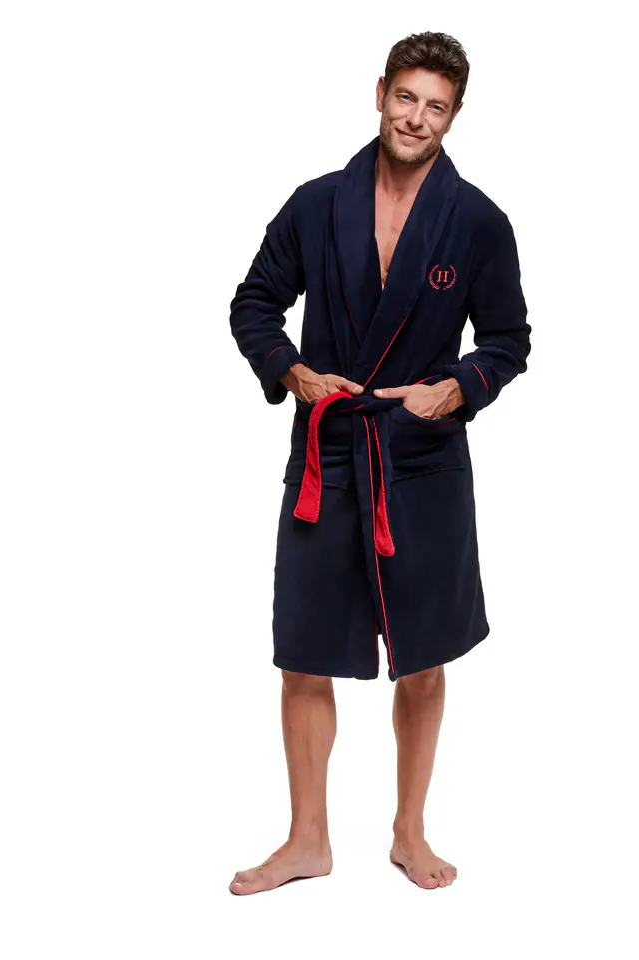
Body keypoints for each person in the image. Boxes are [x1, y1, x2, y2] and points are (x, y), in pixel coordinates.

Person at [228, 31, 531, 895]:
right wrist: (291, 372)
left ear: (454, 117)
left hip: (421, 461)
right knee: (303, 653)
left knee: (426, 654)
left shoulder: (478, 222)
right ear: (380, 94)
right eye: (406, 97)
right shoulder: (317, 204)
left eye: (436, 106)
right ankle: (307, 840)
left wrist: (455, 389)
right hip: (328, 452)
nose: (417, 118)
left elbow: (508, 341)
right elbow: (254, 302)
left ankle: (408, 830)